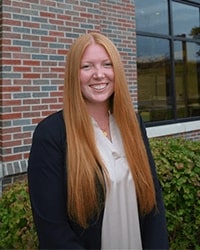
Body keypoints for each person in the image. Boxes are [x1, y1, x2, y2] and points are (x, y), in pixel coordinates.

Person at [28, 32, 169, 250]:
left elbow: (154, 203)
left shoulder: (132, 123)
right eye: (87, 67)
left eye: (107, 64)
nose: (99, 74)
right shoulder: (51, 134)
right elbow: (52, 230)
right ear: (74, 74)